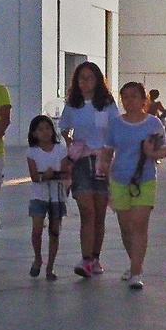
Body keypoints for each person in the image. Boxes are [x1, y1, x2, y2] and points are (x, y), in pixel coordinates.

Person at [57, 60, 119, 280]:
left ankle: (95, 257)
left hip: (102, 160)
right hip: (82, 160)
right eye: (82, 78)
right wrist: (71, 142)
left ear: (98, 80)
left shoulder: (107, 103)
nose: (86, 82)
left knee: (99, 212)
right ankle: (85, 259)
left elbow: (115, 129)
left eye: (90, 77)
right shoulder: (73, 104)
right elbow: (64, 127)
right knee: (87, 210)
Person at [104, 81, 166, 290]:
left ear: (143, 100)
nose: (129, 100)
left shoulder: (154, 123)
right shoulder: (115, 124)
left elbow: (165, 150)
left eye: (134, 96)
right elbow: (108, 151)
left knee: (139, 225)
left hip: (145, 179)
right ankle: (134, 264)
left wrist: (152, 154)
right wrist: (104, 172)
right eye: (126, 96)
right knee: (126, 227)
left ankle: (136, 272)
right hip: (120, 180)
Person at [24, 115, 68, 280]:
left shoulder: (61, 149)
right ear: (34, 133)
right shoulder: (32, 152)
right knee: (37, 230)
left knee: (54, 231)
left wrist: (53, 175)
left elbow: (65, 171)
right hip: (39, 195)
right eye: (40, 129)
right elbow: (34, 176)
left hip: (57, 194)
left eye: (48, 128)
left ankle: (50, 266)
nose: (45, 132)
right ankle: (38, 258)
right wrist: (45, 177)